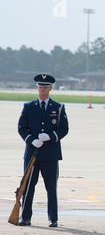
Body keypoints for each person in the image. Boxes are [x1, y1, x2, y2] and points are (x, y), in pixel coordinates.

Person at [17, 74, 69, 227]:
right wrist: (31, 140)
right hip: (32, 153)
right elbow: (21, 128)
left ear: (50, 88)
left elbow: (64, 129)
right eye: (40, 86)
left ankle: (53, 218)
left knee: (51, 188)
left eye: (46, 87)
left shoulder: (58, 108)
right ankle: (25, 217)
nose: (43, 89)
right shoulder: (28, 106)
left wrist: (50, 136)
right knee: (28, 186)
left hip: (50, 154)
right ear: (37, 87)